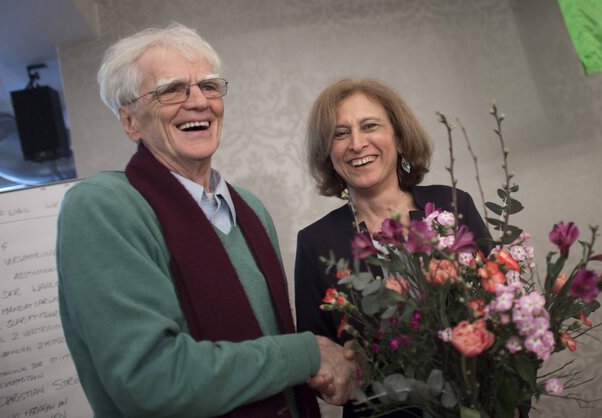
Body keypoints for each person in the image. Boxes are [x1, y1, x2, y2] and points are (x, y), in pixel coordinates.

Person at [56, 22, 356, 418]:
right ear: (130, 121)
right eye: (171, 89)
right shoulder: (104, 208)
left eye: (209, 86)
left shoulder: (250, 208)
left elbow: (270, 354)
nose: (199, 101)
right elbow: (154, 381)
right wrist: (307, 354)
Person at [294, 78, 492, 417]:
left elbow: (503, 308)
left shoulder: (453, 204)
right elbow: (324, 361)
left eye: (369, 126)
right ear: (328, 152)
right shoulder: (316, 243)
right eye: (340, 134)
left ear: (399, 138)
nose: (356, 143)